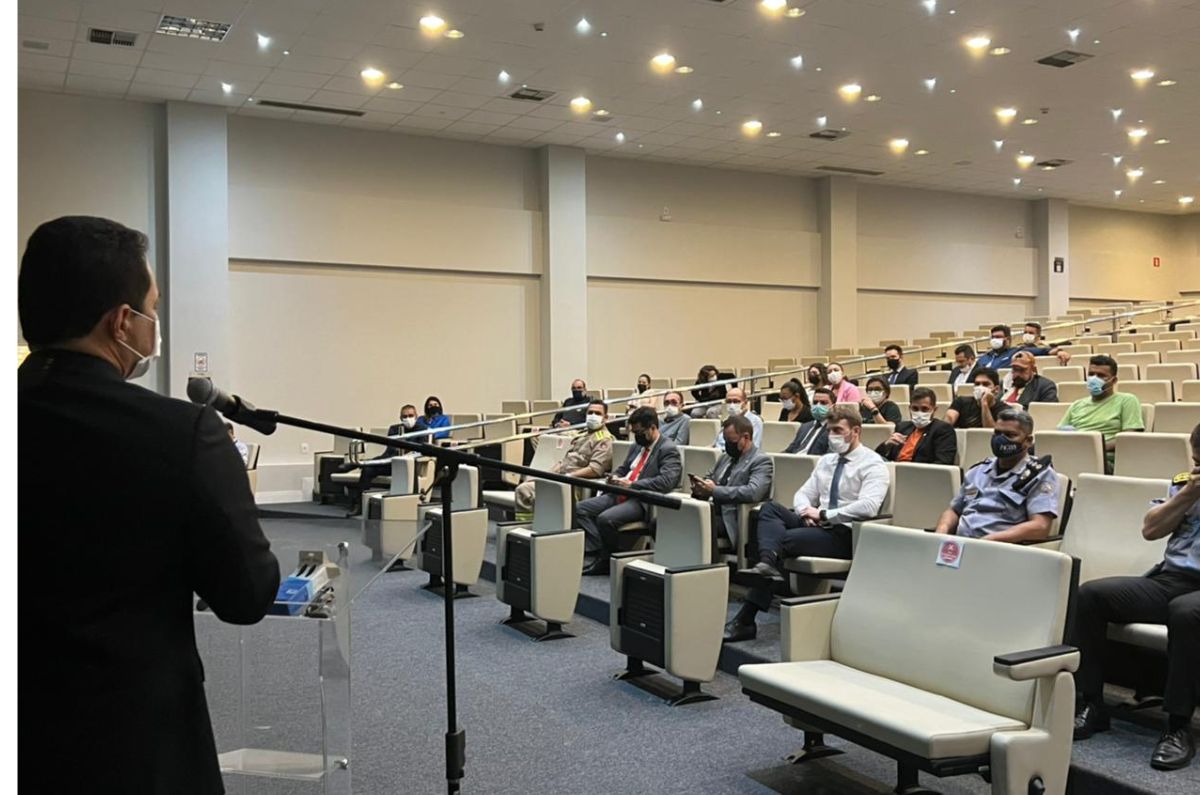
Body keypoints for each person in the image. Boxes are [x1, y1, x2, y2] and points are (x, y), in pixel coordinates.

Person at [18, 215, 280, 793]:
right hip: (134, 743)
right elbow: (247, 595)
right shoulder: (181, 434)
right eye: (152, 308)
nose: (153, 324)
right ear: (121, 323)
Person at [1071, 423, 1200, 771]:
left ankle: (1177, 726)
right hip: (1172, 578)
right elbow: (1150, 530)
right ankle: (1092, 704)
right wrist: (1189, 493)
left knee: (1186, 613)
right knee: (1091, 596)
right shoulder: (1183, 484)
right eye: (1197, 460)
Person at [724, 405, 890, 642]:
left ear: (856, 431)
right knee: (769, 509)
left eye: (838, 430)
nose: (833, 436)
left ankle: (746, 618)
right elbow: (802, 494)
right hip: (815, 525)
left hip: (844, 534)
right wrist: (805, 512)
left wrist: (823, 515)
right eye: (830, 430)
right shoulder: (827, 461)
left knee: (785, 539)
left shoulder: (873, 464)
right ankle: (767, 564)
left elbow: (868, 506)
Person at [574, 406, 681, 575]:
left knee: (605, 519)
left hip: (641, 499)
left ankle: (607, 559)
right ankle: (605, 551)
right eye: (634, 432)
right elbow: (623, 468)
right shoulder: (637, 446)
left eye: (640, 432)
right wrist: (614, 477)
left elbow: (667, 481)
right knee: (580, 509)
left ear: (653, 427)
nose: (637, 436)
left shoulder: (668, 449)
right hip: (620, 492)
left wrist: (633, 485)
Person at [935, 409, 1061, 540]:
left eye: (1010, 435)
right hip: (957, 548)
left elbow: (1040, 527)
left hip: (1001, 550)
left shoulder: (1039, 475)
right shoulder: (977, 470)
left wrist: (989, 541)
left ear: (1028, 441)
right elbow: (954, 510)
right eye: (997, 433)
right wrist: (941, 532)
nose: (1001, 439)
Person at [514, 401, 613, 518]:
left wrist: (569, 477)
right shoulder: (584, 435)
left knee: (525, 491)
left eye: (597, 413)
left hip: (575, 485)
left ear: (605, 418)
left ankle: (528, 525)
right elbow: (564, 462)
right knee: (527, 486)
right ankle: (528, 524)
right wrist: (544, 477)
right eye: (590, 412)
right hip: (561, 479)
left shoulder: (605, 440)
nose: (593, 416)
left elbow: (595, 469)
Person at [689, 415, 774, 551]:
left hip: (731, 517)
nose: (728, 444)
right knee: (671, 519)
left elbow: (753, 492)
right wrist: (701, 487)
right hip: (711, 509)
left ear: (746, 438)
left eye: (731, 440)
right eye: (725, 440)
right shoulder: (726, 457)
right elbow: (710, 476)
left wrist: (714, 490)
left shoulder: (761, 461)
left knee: (690, 525)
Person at [1058, 354, 1144, 473]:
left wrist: (1094, 448)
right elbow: (1059, 432)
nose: (1094, 379)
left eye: (1101, 376)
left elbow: (1130, 437)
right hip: (1072, 454)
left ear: (1113, 380)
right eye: (1091, 374)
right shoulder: (1077, 404)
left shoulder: (1127, 400)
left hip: (1104, 459)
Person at [874, 386, 957, 465]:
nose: (919, 413)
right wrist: (886, 444)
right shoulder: (902, 427)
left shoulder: (943, 429)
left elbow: (943, 462)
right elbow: (878, 456)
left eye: (925, 409)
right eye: (915, 409)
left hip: (918, 473)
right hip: (894, 469)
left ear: (934, 409)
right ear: (909, 408)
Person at [784, 388, 835, 455]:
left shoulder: (835, 429)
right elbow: (790, 450)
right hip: (793, 461)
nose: (818, 406)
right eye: (815, 402)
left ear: (833, 406)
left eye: (823, 403)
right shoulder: (805, 426)